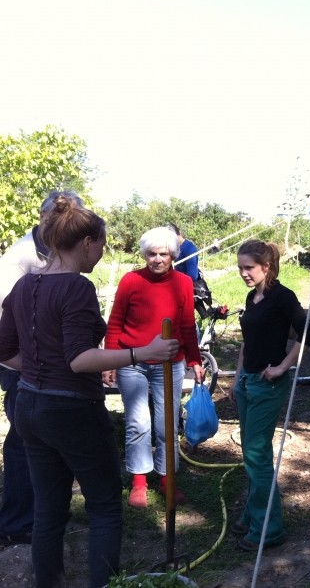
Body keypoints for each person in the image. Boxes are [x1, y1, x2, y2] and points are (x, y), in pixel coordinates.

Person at [0, 195, 179, 588]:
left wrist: (38, 371)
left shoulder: (25, 284)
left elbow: (6, 351)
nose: (101, 251)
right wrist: (143, 352)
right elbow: (80, 360)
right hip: (71, 411)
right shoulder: (76, 288)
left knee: (48, 509)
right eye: (101, 243)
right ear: (86, 243)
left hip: (29, 404)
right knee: (103, 506)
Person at [0, 190, 84, 548]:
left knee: (45, 440)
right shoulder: (18, 258)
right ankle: (18, 523)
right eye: (58, 218)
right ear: (42, 217)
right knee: (23, 440)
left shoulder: (59, 250)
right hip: (21, 364)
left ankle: (45, 516)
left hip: (45, 365)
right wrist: (28, 366)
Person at [103, 226, 204, 508]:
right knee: (137, 422)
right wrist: (111, 360)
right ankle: (138, 481)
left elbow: (187, 325)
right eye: (152, 254)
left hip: (170, 362)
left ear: (172, 255)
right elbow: (115, 322)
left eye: (163, 254)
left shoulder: (183, 283)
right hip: (131, 360)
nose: (157, 259)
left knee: (166, 423)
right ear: (144, 254)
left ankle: (166, 478)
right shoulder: (131, 281)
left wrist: (194, 360)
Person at [230, 240, 310, 552]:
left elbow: (308, 334)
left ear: (267, 267)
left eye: (249, 267)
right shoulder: (252, 298)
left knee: (257, 455)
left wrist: (281, 367)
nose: (243, 273)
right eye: (240, 267)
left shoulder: (283, 297)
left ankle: (270, 528)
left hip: (267, 385)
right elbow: (247, 340)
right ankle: (253, 515)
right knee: (251, 455)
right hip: (247, 382)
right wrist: (237, 376)